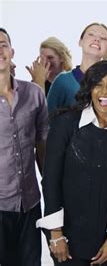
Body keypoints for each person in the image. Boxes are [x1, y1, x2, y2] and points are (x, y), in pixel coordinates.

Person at [36, 60, 107, 265]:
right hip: (65, 234)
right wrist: (56, 234)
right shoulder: (66, 123)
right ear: (89, 88)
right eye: (98, 84)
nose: (105, 91)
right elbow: (51, 180)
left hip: (102, 237)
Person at [0, 27, 48, 266]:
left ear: (11, 51)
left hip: (29, 202)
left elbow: (42, 143)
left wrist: (50, 186)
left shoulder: (34, 94)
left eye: (2, 44)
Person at [47, 22, 107, 113]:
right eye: (91, 34)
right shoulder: (63, 81)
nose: (97, 39)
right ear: (80, 42)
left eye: (103, 38)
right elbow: (47, 120)